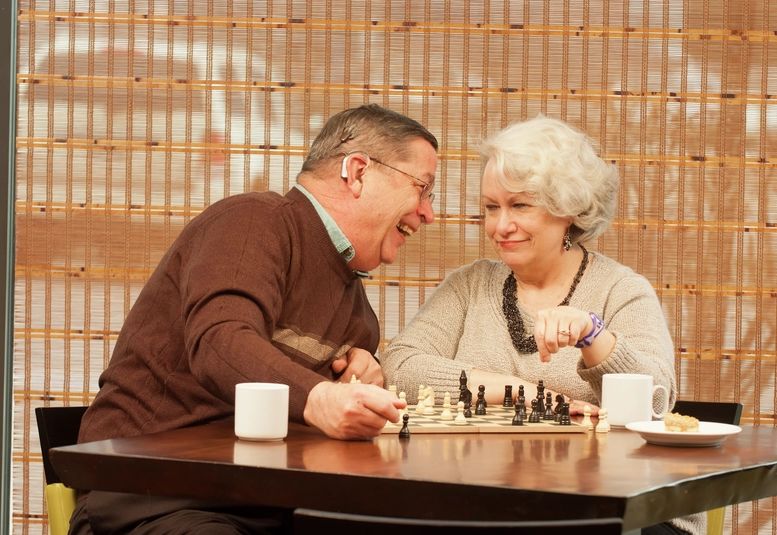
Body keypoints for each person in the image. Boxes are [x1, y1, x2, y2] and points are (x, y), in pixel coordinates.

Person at [68, 103, 438, 535]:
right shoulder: (252, 220)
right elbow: (221, 340)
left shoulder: (355, 308)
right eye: (423, 188)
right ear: (357, 172)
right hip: (150, 495)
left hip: (261, 501)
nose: (429, 212)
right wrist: (321, 397)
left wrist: (360, 375)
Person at [381, 115, 702, 535]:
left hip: (617, 512)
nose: (500, 226)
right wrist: (525, 394)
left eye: (520, 205)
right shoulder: (468, 285)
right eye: (491, 208)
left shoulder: (622, 289)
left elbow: (657, 399)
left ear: (567, 209)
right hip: (486, 503)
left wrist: (593, 335)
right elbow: (400, 368)